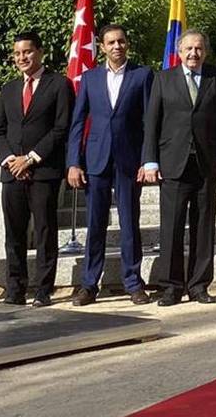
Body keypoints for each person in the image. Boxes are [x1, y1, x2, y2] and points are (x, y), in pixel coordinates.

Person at [141, 29, 216, 306]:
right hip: (173, 163)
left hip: (206, 163)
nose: (194, 54)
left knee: (203, 227)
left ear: (205, 51)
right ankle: (170, 287)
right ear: (179, 53)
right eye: (189, 49)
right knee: (172, 226)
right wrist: (150, 160)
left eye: (199, 49)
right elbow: (152, 123)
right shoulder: (163, 79)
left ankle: (199, 285)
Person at [66, 24, 154, 306]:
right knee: (95, 224)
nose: (117, 46)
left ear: (127, 45)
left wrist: (146, 159)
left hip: (129, 161)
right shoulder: (90, 78)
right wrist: (73, 163)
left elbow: (149, 122)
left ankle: (133, 282)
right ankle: (89, 285)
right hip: (96, 160)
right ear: (102, 47)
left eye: (121, 42)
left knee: (130, 223)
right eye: (111, 43)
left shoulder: (142, 75)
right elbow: (78, 122)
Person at [0, 31, 74, 306]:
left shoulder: (59, 85)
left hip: (43, 171)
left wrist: (31, 158)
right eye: (16, 53)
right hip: (11, 172)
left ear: (40, 52)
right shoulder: (8, 89)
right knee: (13, 233)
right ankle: (15, 290)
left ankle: (43, 290)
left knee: (44, 231)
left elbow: (61, 128)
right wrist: (10, 161)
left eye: (26, 52)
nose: (21, 58)